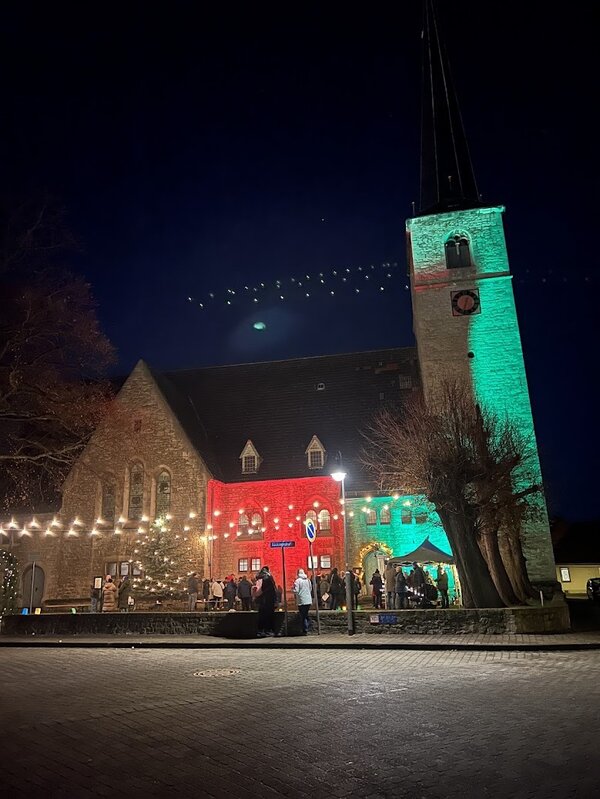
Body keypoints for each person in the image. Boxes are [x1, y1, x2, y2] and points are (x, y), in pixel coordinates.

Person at [253, 565, 277, 637]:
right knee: (268, 616)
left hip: (261, 600)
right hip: (268, 600)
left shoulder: (259, 578)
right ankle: (268, 630)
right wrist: (275, 600)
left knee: (261, 616)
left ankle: (260, 631)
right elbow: (271, 590)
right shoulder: (268, 578)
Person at [293, 568, 313, 634]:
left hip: (302, 600)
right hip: (308, 600)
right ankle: (309, 625)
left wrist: (292, 589)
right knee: (305, 614)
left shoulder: (297, 581)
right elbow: (310, 589)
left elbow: (296, 590)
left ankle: (305, 629)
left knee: (303, 615)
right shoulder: (308, 580)